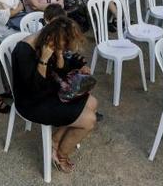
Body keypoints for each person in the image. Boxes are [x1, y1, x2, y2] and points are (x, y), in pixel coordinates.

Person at [11, 16, 99, 174]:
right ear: (51, 36)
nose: (64, 48)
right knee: (89, 120)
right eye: (63, 44)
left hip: (49, 92)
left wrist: (61, 57)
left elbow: (61, 70)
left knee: (92, 103)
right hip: (31, 102)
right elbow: (34, 90)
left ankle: (55, 139)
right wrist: (44, 60)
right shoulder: (23, 50)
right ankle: (61, 155)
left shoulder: (49, 42)